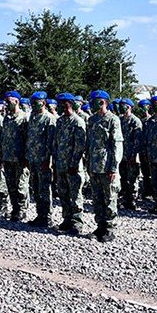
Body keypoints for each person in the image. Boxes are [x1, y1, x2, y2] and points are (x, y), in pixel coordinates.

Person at [85, 90, 123, 242]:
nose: (91, 103)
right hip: (94, 165)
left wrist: (114, 167)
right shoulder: (92, 119)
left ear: (102, 102)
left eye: (94, 101)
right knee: (97, 198)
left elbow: (117, 145)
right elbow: (89, 143)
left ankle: (110, 228)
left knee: (110, 198)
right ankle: (100, 226)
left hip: (107, 166)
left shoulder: (113, 120)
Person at [54, 92, 87, 234]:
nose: (60, 106)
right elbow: (56, 143)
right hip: (61, 164)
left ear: (69, 105)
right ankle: (67, 219)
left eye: (63, 104)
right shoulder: (60, 121)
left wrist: (73, 164)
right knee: (63, 193)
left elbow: (80, 146)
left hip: (73, 166)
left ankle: (77, 223)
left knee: (75, 195)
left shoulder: (77, 121)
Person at [26, 91, 55, 227]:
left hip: (43, 160)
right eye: (32, 103)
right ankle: (40, 214)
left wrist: (47, 160)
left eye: (36, 103)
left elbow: (50, 142)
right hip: (32, 158)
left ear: (43, 103)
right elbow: (29, 138)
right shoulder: (32, 117)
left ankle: (47, 216)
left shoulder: (49, 118)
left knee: (44, 188)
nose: (33, 106)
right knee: (36, 188)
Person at [0, 91, 29, 221]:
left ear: (16, 101)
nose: (6, 104)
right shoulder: (7, 118)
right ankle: (15, 209)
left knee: (21, 186)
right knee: (10, 185)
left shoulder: (24, 118)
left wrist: (25, 157)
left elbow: (27, 139)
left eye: (8, 101)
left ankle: (22, 210)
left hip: (19, 158)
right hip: (7, 157)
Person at [118, 98, 143, 211]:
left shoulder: (135, 121)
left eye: (124, 105)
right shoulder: (119, 120)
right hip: (121, 155)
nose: (121, 107)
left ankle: (133, 201)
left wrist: (134, 155)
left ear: (129, 107)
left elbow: (138, 140)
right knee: (123, 179)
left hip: (132, 155)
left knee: (132, 180)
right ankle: (125, 199)